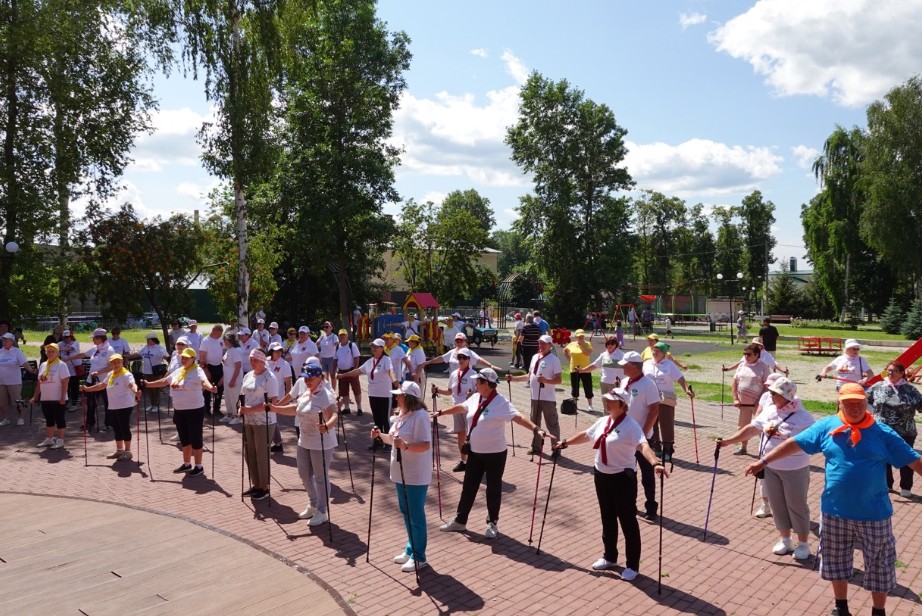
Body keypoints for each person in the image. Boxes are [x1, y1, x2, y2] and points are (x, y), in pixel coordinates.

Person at [745, 383, 922, 616]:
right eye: (849, 403)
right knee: (836, 562)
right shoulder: (827, 426)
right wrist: (763, 462)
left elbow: (914, 461)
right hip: (834, 513)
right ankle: (841, 607)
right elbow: (794, 443)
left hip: (874, 515)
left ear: (866, 404)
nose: (855, 408)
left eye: (859, 403)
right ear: (839, 403)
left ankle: (878, 611)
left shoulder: (882, 433)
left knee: (880, 567)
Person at [554, 389, 668, 580]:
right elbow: (586, 435)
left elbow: (643, 446)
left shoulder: (631, 426)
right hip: (601, 475)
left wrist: (655, 463)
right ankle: (610, 556)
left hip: (623, 478)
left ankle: (632, 565)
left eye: (611, 401)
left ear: (623, 405)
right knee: (607, 517)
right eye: (606, 400)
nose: (607, 403)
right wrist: (565, 442)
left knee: (627, 520)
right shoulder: (603, 421)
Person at [436, 369, 548, 539]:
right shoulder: (475, 397)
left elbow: (518, 417)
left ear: (487, 384)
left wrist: (536, 429)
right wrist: (442, 412)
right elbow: (462, 407)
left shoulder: (500, 402)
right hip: (475, 452)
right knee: (468, 487)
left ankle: (492, 523)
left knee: (493, 489)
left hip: (495, 454)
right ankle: (460, 520)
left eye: (478, 381)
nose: (475, 384)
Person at [721, 377, 815, 559]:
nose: (770, 396)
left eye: (774, 393)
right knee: (777, 504)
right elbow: (751, 429)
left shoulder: (804, 418)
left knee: (796, 506)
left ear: (786, 396)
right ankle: (785, 539)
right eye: (770, 393)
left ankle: (803, 544)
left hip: (795, 469)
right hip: (771, 467)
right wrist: (729, 441)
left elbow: (811, 442)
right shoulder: (771, 410)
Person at [371, 381, 432, 571]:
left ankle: (420, 556)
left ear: (409, 397)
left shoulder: (420, 417)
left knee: (415, 514)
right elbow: (394, 439)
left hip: (414, 474)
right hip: (399, 472)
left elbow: (425, 445)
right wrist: (380, 435)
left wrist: (405, 446)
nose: (396, 397)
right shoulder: (401, 415)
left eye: (399, 395)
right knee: (406, 512)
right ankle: (411, 548)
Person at [272, 364, 338, 525]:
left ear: (319, 378)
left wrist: (327, 426)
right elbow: (296, 409)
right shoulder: (307, 393)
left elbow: (335, 414)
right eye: (305, 378)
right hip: (304, 440)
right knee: (303, 473)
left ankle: (322, 511)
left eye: (310, 378)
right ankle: (313, 503)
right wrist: (276, 409)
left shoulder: (325, 395)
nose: (307, 381)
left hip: (321, 443)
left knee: (321, 477)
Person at [143, 347, 217, 477]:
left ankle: (199, 466)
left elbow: (204, 382)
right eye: (182, 357)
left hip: (194, 410)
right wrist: (148, 384)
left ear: (193, 359)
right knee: (184, 438)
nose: (183, 360)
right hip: (179, 410)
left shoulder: (197, 371)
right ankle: (187, 463)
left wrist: (211, 388)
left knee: (195, 438)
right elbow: (164, 381)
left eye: (186, 358)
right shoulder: (178, 371)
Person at [617, 351, 662, 520]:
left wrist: (642, 434)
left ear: (634, 367)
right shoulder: (624, 382)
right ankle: (631, 504)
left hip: (643, 438)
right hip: (626, 436)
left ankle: (651, 507)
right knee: (629, 473)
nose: (621, 367)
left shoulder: (648, 384)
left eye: (625, 365)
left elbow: (654, 410)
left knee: (647, 474)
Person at [867, 361, 922, 497]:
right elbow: (865, 400)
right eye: (888, 370)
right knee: (883, 458)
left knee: (907, 458)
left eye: (894, 371)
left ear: (902, 373)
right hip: (882, 430)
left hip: (905, 431)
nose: (890, 373)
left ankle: (906, 487)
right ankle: (887, 484)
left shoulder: (910, 390)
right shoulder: (878, 387)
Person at [507, 334, 562, 455]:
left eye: (544, 343)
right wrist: (513, 378)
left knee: (552, 424)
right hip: (534, 397)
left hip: (548, 398)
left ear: (550, 346)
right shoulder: (535, 357)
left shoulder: (554, 360)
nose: (541, 345)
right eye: (540, 343)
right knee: (535, 423)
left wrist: (546, 380)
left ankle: (556, 448)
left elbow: (559, 380)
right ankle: (536, 447)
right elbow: (528, 376)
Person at [336, 338, 397, 448]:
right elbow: (357, 371)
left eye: (376, 347)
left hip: (384, 394)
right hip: (373, 394)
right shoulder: (370, 362)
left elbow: (390, 371)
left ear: (382, 348)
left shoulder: (386, 360)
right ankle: (378, 441)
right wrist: (342, 375)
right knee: (377, 419)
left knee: (385, 419)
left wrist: (394, 380)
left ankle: (388, 443)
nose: (373, 349)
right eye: (372, 347)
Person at [80, 354, 142, 461]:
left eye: (118, 362)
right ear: (110, 364)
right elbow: (101, 386)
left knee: (124, 427)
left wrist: (136, 391)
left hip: (125, 405)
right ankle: (119, 450)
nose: (116, 364)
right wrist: (87, 389)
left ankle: (128, 451)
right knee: (116, 427)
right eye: (114, 362)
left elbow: (132, 385)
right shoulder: (110, 374)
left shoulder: (126, 374)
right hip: (113, 406)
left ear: (122, 363)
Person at [238, 349, 280, 500]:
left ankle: (264, 486)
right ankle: (256, 484)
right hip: (248, 420)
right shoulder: (249, 375)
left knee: (261, 453)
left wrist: (250, 409)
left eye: (254, 360)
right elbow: (242, 394)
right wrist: (240, 408)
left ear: (262, 361)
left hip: (264, 421)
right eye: (250, 360)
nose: (251, 363)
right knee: (250, 453)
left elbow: (272, 402)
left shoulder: (270, 378)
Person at [642, 342, 694, 463]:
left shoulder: (669, 365)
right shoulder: (646, 364)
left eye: (657, 351)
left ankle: (668, 450)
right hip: (650, 399)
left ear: (663, 353)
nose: (654, 353)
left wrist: (686, 390)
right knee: (651, 424)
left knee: (666, 425)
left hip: (666, 399)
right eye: (653, 351)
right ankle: (656, 448)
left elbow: (680, 378)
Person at [431, 347, 477, 472]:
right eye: (459, 357)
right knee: (461, 434)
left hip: (469, 409)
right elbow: (450, 391)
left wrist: (472, 394)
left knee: (472, 435)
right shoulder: (453, 374)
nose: (461, 360)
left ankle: (475, 461)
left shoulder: (474, 375)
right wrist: (437, 390)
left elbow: (479, 393)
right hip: (456, 408)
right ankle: (464, 461)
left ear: (469, 360)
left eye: (464, 358)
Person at [730, 343, 772, 455]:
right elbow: (734, 382)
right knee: (743, 426)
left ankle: (765, 449)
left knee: (762, 425)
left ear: (756, 354)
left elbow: (768, 385)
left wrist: (760, 401)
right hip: (743, 403)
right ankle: (743, 447)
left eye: (748, 354)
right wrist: (735, 398)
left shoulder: (763, 366)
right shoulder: (742, 365)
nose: (746, 356)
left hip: (758, 404)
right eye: (744, 354)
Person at [71, 328, 117, 432]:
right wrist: (68, 359)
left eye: (94, 338)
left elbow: (112, 366)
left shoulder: (110, 350)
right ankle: (89, 422)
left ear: (100, 339)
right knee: (90, 402)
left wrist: (99, 372)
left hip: (105, 380)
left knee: (107, 402)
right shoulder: (94, 348)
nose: (93, 341)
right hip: (91, 379)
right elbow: (83, 355)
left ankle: (109, 423)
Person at [31, 343, 69, 449]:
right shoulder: (43, 365)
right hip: (45, 397)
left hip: (57, 398)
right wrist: (35, 396)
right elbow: (39, 382)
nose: (50, 353)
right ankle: (50, 439)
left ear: (57, 353)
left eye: (53, 351)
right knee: (49, 419)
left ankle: (60, 440)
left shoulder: (62, 365)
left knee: (59, 419)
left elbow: (66, 381)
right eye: (48, 351)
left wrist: (62, 397)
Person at [422, 332, 499, 376]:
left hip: (466, 380)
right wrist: (429, 362)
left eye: (461, 341)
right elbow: (441, 358)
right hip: (454, 379)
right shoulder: (452, 352)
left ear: (465, 342)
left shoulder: (469, 352)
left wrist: (490, 365)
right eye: (457, 341)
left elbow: (479, 360)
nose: (459, 343)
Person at [128, 333, 168, 414]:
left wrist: (169, 357)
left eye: (149, 339)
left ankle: (156, 405)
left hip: (155, 372)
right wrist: (126, 356)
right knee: (149, 388)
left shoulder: (159, 348)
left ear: (154, 340)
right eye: (147, 340)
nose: (147, 341)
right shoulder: (146, 347)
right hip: (146, 371)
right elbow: (138, 354)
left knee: (155, 388)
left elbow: (165, 355)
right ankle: (152, 404)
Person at [0, 332, 33, 426]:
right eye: (3, 340)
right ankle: (6, 418)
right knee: (2, 402)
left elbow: (24, 363)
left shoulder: (17, 351)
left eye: (6, 340)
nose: (4, 341)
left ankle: (21, 417)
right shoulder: (0, 351)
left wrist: (31, 370)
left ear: (12, 341)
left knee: (17, 401)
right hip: (1, 381)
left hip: (14, 381)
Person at [199, 324, 226, 418]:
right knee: (207, 389)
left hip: (219, 366)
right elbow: (201, 357)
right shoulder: (205, 341)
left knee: (220, 388)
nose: (220, 335)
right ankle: (207, 410)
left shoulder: (220, 340)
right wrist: (206, 370)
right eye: (219, 333)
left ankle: (217, 408)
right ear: (214, 331)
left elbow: (223, 351)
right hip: (208, 367)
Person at [564, 329, 594, 412]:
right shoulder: (572, 344)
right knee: (575, 387)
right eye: (579, 336)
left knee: (588, 387)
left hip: (585, 369)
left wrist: (582, 344)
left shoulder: (587, 344)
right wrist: (570, 360)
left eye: (582, 336)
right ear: (576, 337)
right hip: (574, 369)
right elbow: (565, 351)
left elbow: (587, 353)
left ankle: (590, 405)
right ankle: (574, 404)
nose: (581, 337)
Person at [723, 336, 788, 375]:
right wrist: (728, 369)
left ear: (761, 346)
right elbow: (740, 363)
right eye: (754, 344)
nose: (755, 346)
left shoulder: (766, 355)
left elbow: (774, 364)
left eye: (757, 345)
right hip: (748, 374)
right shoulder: (749, 352)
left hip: (761, 376)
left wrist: (783, 370)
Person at [333, 329, 361, 415]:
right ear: (338, 336)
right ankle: (347, 408)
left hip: (351, 370)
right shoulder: (337, 347)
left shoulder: (352, 345)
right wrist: (334, 371)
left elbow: (356, 357)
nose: (342, 336)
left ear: (347, 335)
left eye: (344, 335)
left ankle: (359, 408)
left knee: (356, 390)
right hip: (341, 372)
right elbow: (335, 359)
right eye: (341, 335)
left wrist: (355, 370)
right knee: (343, 391)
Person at [220, 333, 244, 425]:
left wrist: (233, 380)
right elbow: (226, 365)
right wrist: (223, 378)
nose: (224, 341)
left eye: (225, 339)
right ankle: (229, 415)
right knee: (228, 398)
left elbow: (238, 367)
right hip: (227, 379)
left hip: (234, 380)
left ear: (230, 340)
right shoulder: (229, 350)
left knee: (235, 398)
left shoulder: (236, 351)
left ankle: (238, 416)